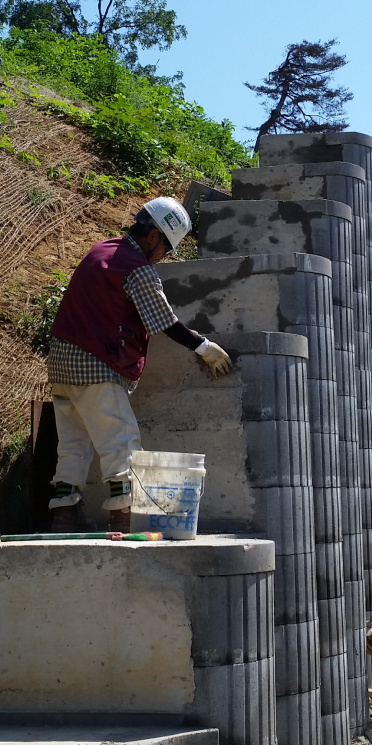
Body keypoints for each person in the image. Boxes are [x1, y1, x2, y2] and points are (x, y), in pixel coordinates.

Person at [44, 197, 234, 532]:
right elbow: (164, 321)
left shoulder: (101, 250)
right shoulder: (137, 268)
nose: (164, 257)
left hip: (61, 365)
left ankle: (62, 520)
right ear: (153, 237)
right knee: (123, 445)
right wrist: (204, 347)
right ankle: (123, 521)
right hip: (96, 366)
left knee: (73, 447)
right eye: (167, 249)